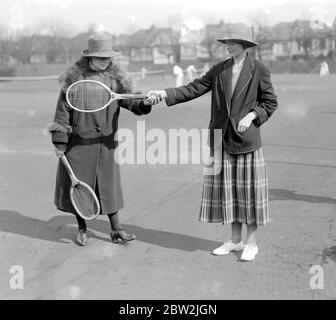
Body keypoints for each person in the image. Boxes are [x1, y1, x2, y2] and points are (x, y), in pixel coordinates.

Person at [147, 24, 278, 261]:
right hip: (220, 139)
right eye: (226, 42)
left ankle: (251, 243)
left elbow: (270, 103)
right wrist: (165, 93)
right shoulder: (219, 70)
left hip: (246, 141)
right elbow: (193, 88)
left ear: (245, 45)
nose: (228, 46)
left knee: (249, 194)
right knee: (231, 194)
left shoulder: (259, 69)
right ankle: (235, 241)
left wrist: (251, 116)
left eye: (233, 42)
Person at [48, 32, 152, 246]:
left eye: (108, 57)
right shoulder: (73, 81)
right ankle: (82, 228)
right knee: (81, 190)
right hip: (78, 145)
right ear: (89, 57)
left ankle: (116, 229)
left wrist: (144, 102)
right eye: (100, 57)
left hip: (105, 145)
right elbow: (62, 112)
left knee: (109, 187)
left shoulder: (117, 80)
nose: (105, 61)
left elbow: (130, 102)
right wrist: (60, 142)